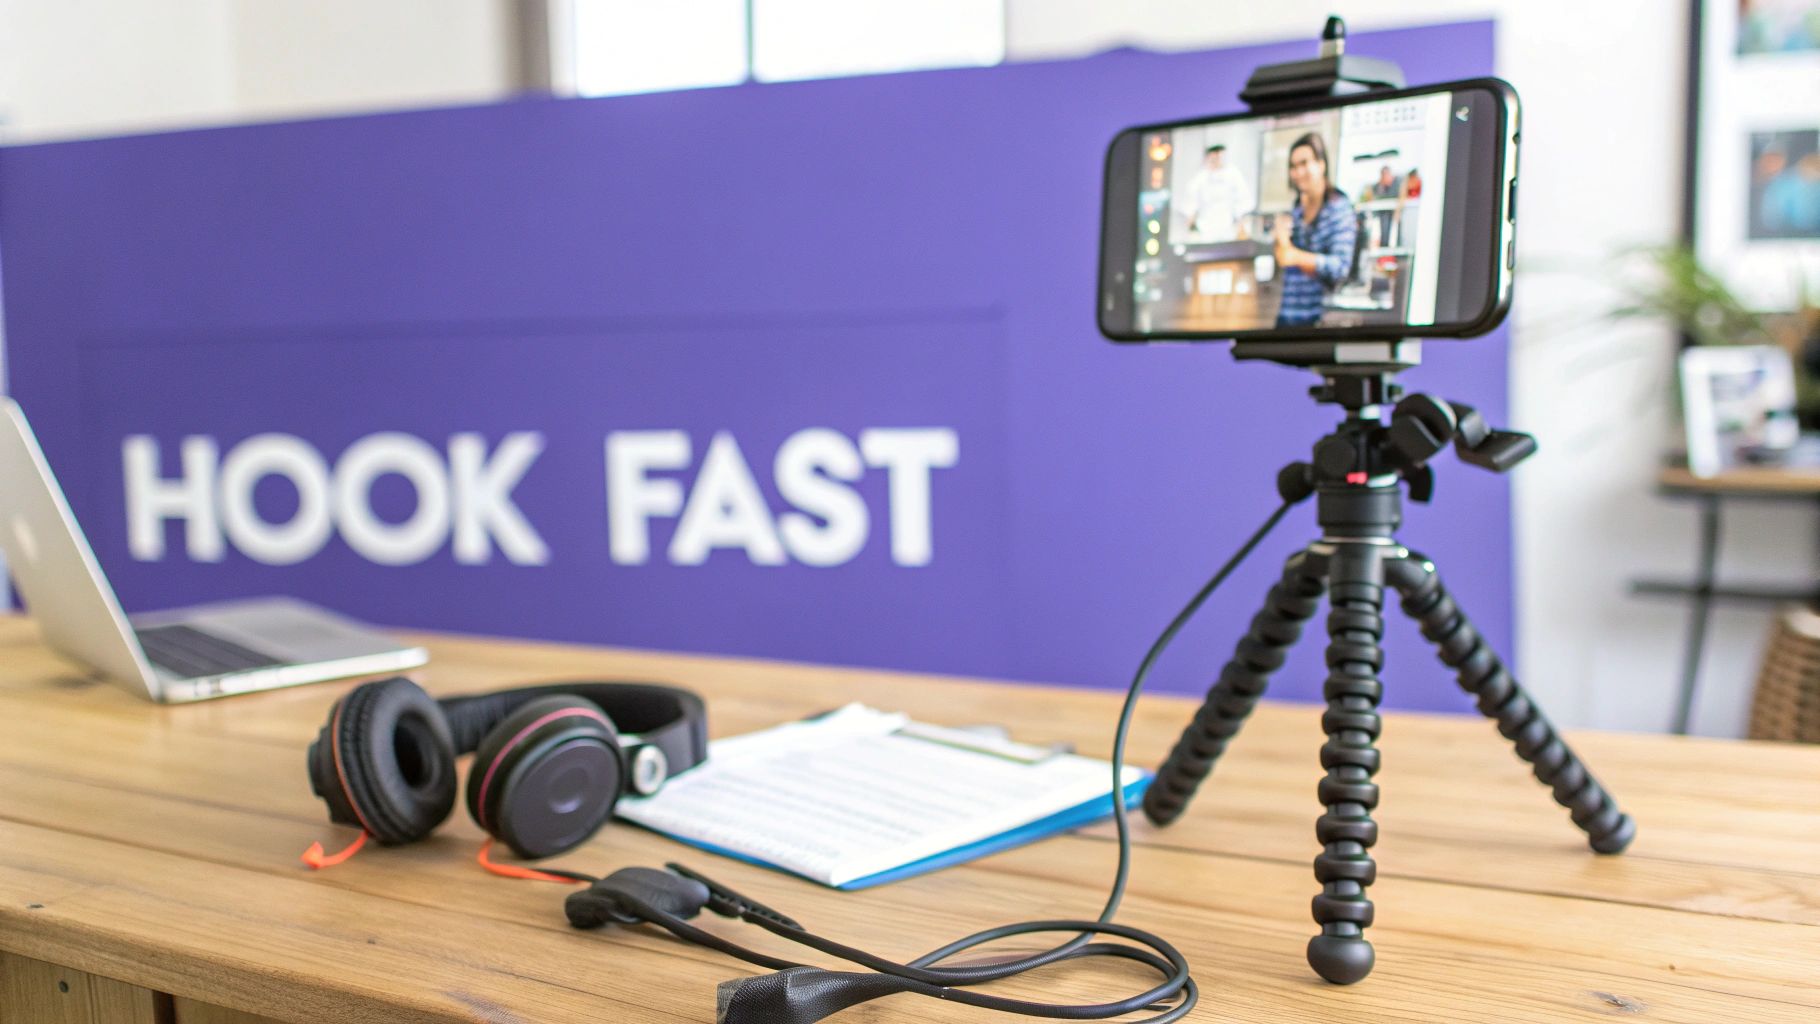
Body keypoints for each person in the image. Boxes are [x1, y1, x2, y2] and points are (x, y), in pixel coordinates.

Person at [1273, 132, 1358, 328]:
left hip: (1321, 322)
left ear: (1321, 164)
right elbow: (1283, 259)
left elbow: (1340, 268)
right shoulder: (1295, 211)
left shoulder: (1339, 208)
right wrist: (1280, 239)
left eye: (1304, 163)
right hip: (1287, 318)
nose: (1298, 172)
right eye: (1293, 167)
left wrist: (1295, 256)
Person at [1179, 144, 1254, 242]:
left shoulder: (1232, 173)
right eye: (1214, 155)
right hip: (1205, 229)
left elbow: (1243, 198)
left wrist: (1242, 221)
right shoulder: (1201, 177)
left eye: (1219, 155)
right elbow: (1190, 200)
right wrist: (1191, 219)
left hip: (1228, 228)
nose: (1216, 158)